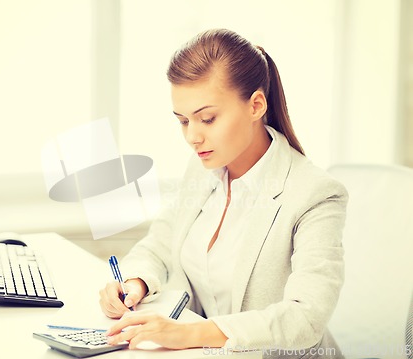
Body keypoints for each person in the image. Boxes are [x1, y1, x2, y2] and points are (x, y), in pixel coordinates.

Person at [99, 28, 348, 358]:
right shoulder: (204, 168)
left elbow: (305, 317)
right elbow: (160, 243)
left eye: (207, 118)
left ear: (256, 105)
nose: (193, 137)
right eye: (183, 121)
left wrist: (187, 334)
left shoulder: (314, 194)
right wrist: (134, 283)